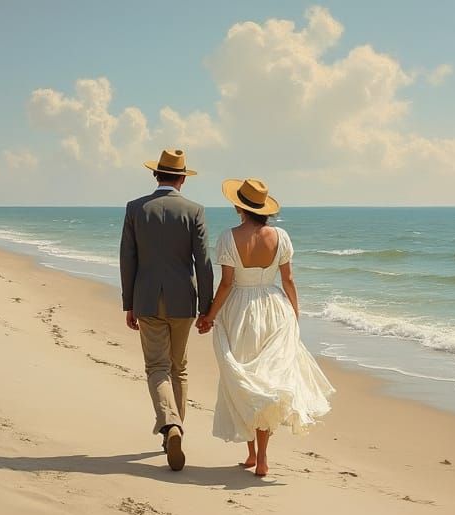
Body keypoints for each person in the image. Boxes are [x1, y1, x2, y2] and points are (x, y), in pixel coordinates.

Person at [197, 178, 335, 477]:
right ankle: (262, 458)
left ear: (239, 207)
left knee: (244, 381)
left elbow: (226, 283)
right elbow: (288, 280)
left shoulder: (228, 237)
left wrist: (208, 315)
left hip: (239, 310)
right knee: (267, 380)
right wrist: (294, 313)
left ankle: (250, 454)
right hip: (274, 308)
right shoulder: (281, 237)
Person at [120, 149, 213, 472]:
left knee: (157, 367)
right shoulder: (194, 211)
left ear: (155, 175)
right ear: (183, 178)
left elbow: (127, 258)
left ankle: (170, 426)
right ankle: (175, 431)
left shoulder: (135, 209)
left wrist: (128, 303)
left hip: (146, 298)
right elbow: (203, 262)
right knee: (179, 367)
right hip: (182, 301)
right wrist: (207, 307)